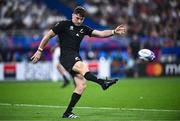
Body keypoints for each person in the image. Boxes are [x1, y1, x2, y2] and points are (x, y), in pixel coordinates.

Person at [31, 6, 127, 118]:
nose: (79, 21)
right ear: (73, 15)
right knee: (82, 67)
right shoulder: (63, 24)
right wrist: (39, 50)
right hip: (66, 57)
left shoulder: (84, 28)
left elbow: (100, 34)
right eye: (77, 18)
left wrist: (114, 31)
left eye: (81, 19)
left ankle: (67, 112)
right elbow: (48, 35)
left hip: (75, 56)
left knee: (81, 85)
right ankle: (102, 83)